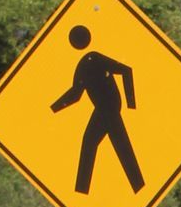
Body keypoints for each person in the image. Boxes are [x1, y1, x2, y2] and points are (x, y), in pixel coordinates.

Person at [51, 26, 143, 193]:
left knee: (94, 143)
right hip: (104, 108)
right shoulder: (83, 65)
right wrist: (53, 109)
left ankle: (81, 190)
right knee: (119, 146)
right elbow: (76, 94)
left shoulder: (94, 58)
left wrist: (131, 104)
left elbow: (126, 71)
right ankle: (137, 186)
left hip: (109, 107)